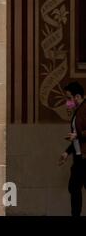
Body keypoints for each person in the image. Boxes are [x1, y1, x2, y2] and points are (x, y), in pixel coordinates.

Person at [59, 82, 86, 216]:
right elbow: (77, 138)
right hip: (79, 159)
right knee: (74, 188)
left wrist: (78, 135)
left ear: (77, 96)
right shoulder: (78, 111)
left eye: (69, 98)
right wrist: (67, 152)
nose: (67, 102)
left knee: (75, 188)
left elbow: (80, 135)